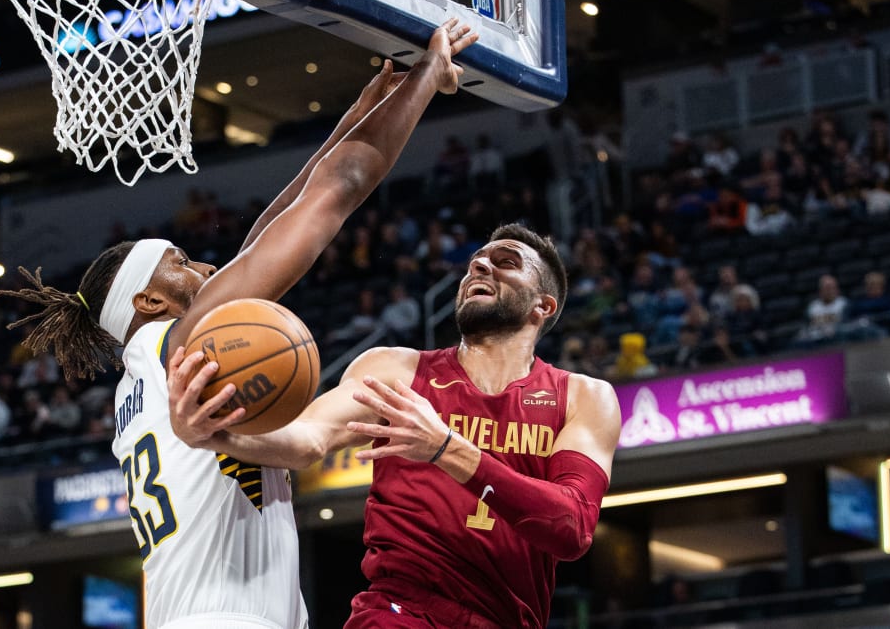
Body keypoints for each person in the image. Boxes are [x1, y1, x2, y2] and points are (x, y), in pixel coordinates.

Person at [0, 20, 478, 629]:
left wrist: (360, 113)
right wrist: (429, 77)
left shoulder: (151, 370)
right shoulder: (180, 344)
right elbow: (337, 193)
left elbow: (272, 226)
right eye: (178, 260)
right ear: (148, 301)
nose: (201, 263)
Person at [170, 223, 622, 628]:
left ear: (542, 306)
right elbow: (308, 438)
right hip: (398, 612)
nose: (481, 265)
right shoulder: (397, 370)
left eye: (506, 263)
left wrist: (447, 448)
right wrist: (216, 435)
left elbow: (570, 527)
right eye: (476, 262)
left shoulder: (583, 397)